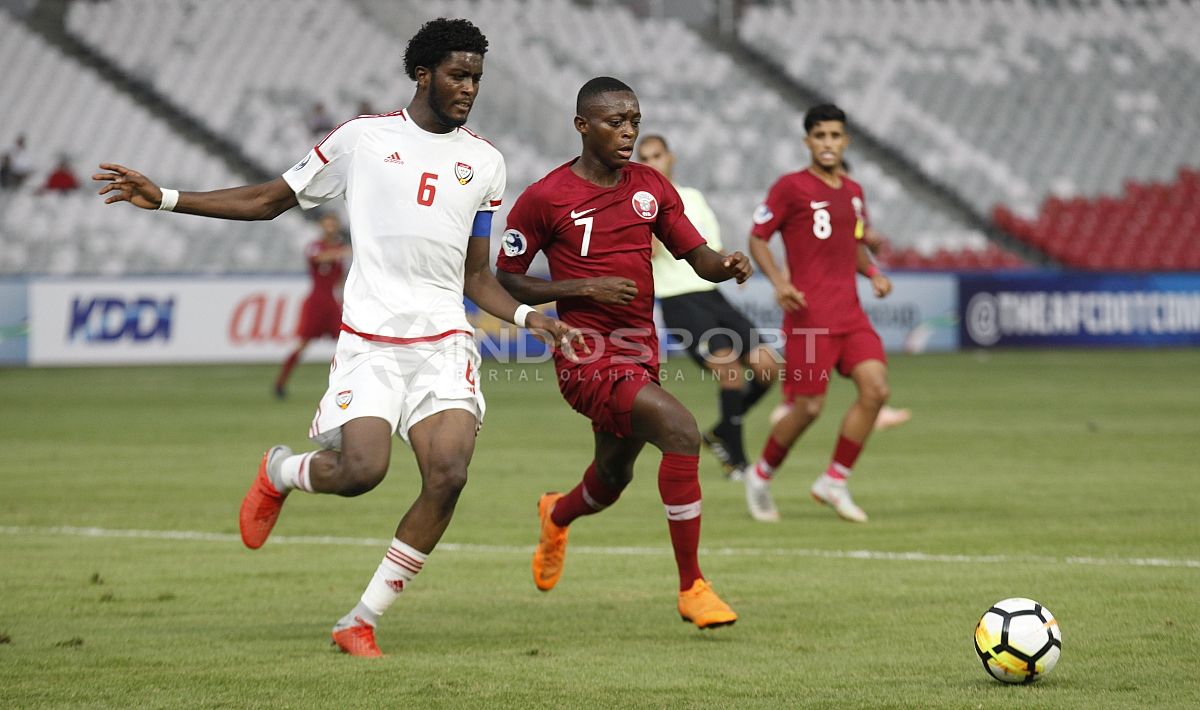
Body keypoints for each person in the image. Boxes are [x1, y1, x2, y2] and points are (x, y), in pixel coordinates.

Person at [94, 18, 582, 658]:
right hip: (372, 343)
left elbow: (477, 276)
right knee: (361, 472)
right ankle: (281, 470)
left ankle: (361, 618)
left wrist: (526, 318)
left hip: (443, 344)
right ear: (422, 74)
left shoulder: (485, 161)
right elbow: (271, 199)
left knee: (449, 474)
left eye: (477, 79)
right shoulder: (363, 140)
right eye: (458, 75)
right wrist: (166, 198)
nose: (469, 88)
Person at [495, 77, 750, 629]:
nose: (628, 131)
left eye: (633, 120)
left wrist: (726, 265)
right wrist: (582, 289)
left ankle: (556, 514)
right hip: (584, 356)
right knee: (682, 432)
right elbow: (506, 279)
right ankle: (693, 588)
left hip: (639, 351)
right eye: (615, 122)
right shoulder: (545, 197)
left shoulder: (650, 187)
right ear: (583, 127)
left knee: (612, 479)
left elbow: (698, 258)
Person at [744, 103, 893, 524]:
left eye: (835, 136)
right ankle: (761, 474)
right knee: (808, 409)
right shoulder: (790, 188)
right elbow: (758, 238)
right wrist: (778, 282)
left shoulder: (855, 191)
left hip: (851, 315)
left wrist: (874, 273)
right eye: (820, 136)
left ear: (845, 141)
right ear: (808, 141)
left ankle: (835, 479)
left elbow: (854, 245)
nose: (828, 143)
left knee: (876, 390)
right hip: (810, 318)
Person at [636, 134, 774, 478]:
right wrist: (651, 216)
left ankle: (721, 431)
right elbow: (647, 252)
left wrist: (732, 266)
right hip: (678, 300)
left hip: (711, 294)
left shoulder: (693, 197)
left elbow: (712, 247)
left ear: (672, 157)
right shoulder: (640, 203)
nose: (653, 163)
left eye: (658, 156)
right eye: (646, 158)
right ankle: (737, 461)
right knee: (729, 371)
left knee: (768, 368)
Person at [766, 158, 912, 432]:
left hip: (840, 302)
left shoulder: (851, 206)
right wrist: (782, 282)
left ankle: (871, 405)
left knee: (866, 357)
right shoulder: (809, 211)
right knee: (806, 360)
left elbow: (854, 246)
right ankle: (789, 404)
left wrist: (872, 265)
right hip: (809, 301)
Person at [274, 212, 351, 399]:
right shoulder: (316, 247)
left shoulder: (339, 249)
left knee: (346, 345)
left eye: (333, 223)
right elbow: (318, 258)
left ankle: (345, 385)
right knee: (303, 343)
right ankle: (280, 383)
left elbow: (340, 277)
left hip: (332, 304)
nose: (330, 227)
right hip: (316, 302)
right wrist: (342, 251)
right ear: (321, 226)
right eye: (327, 223)